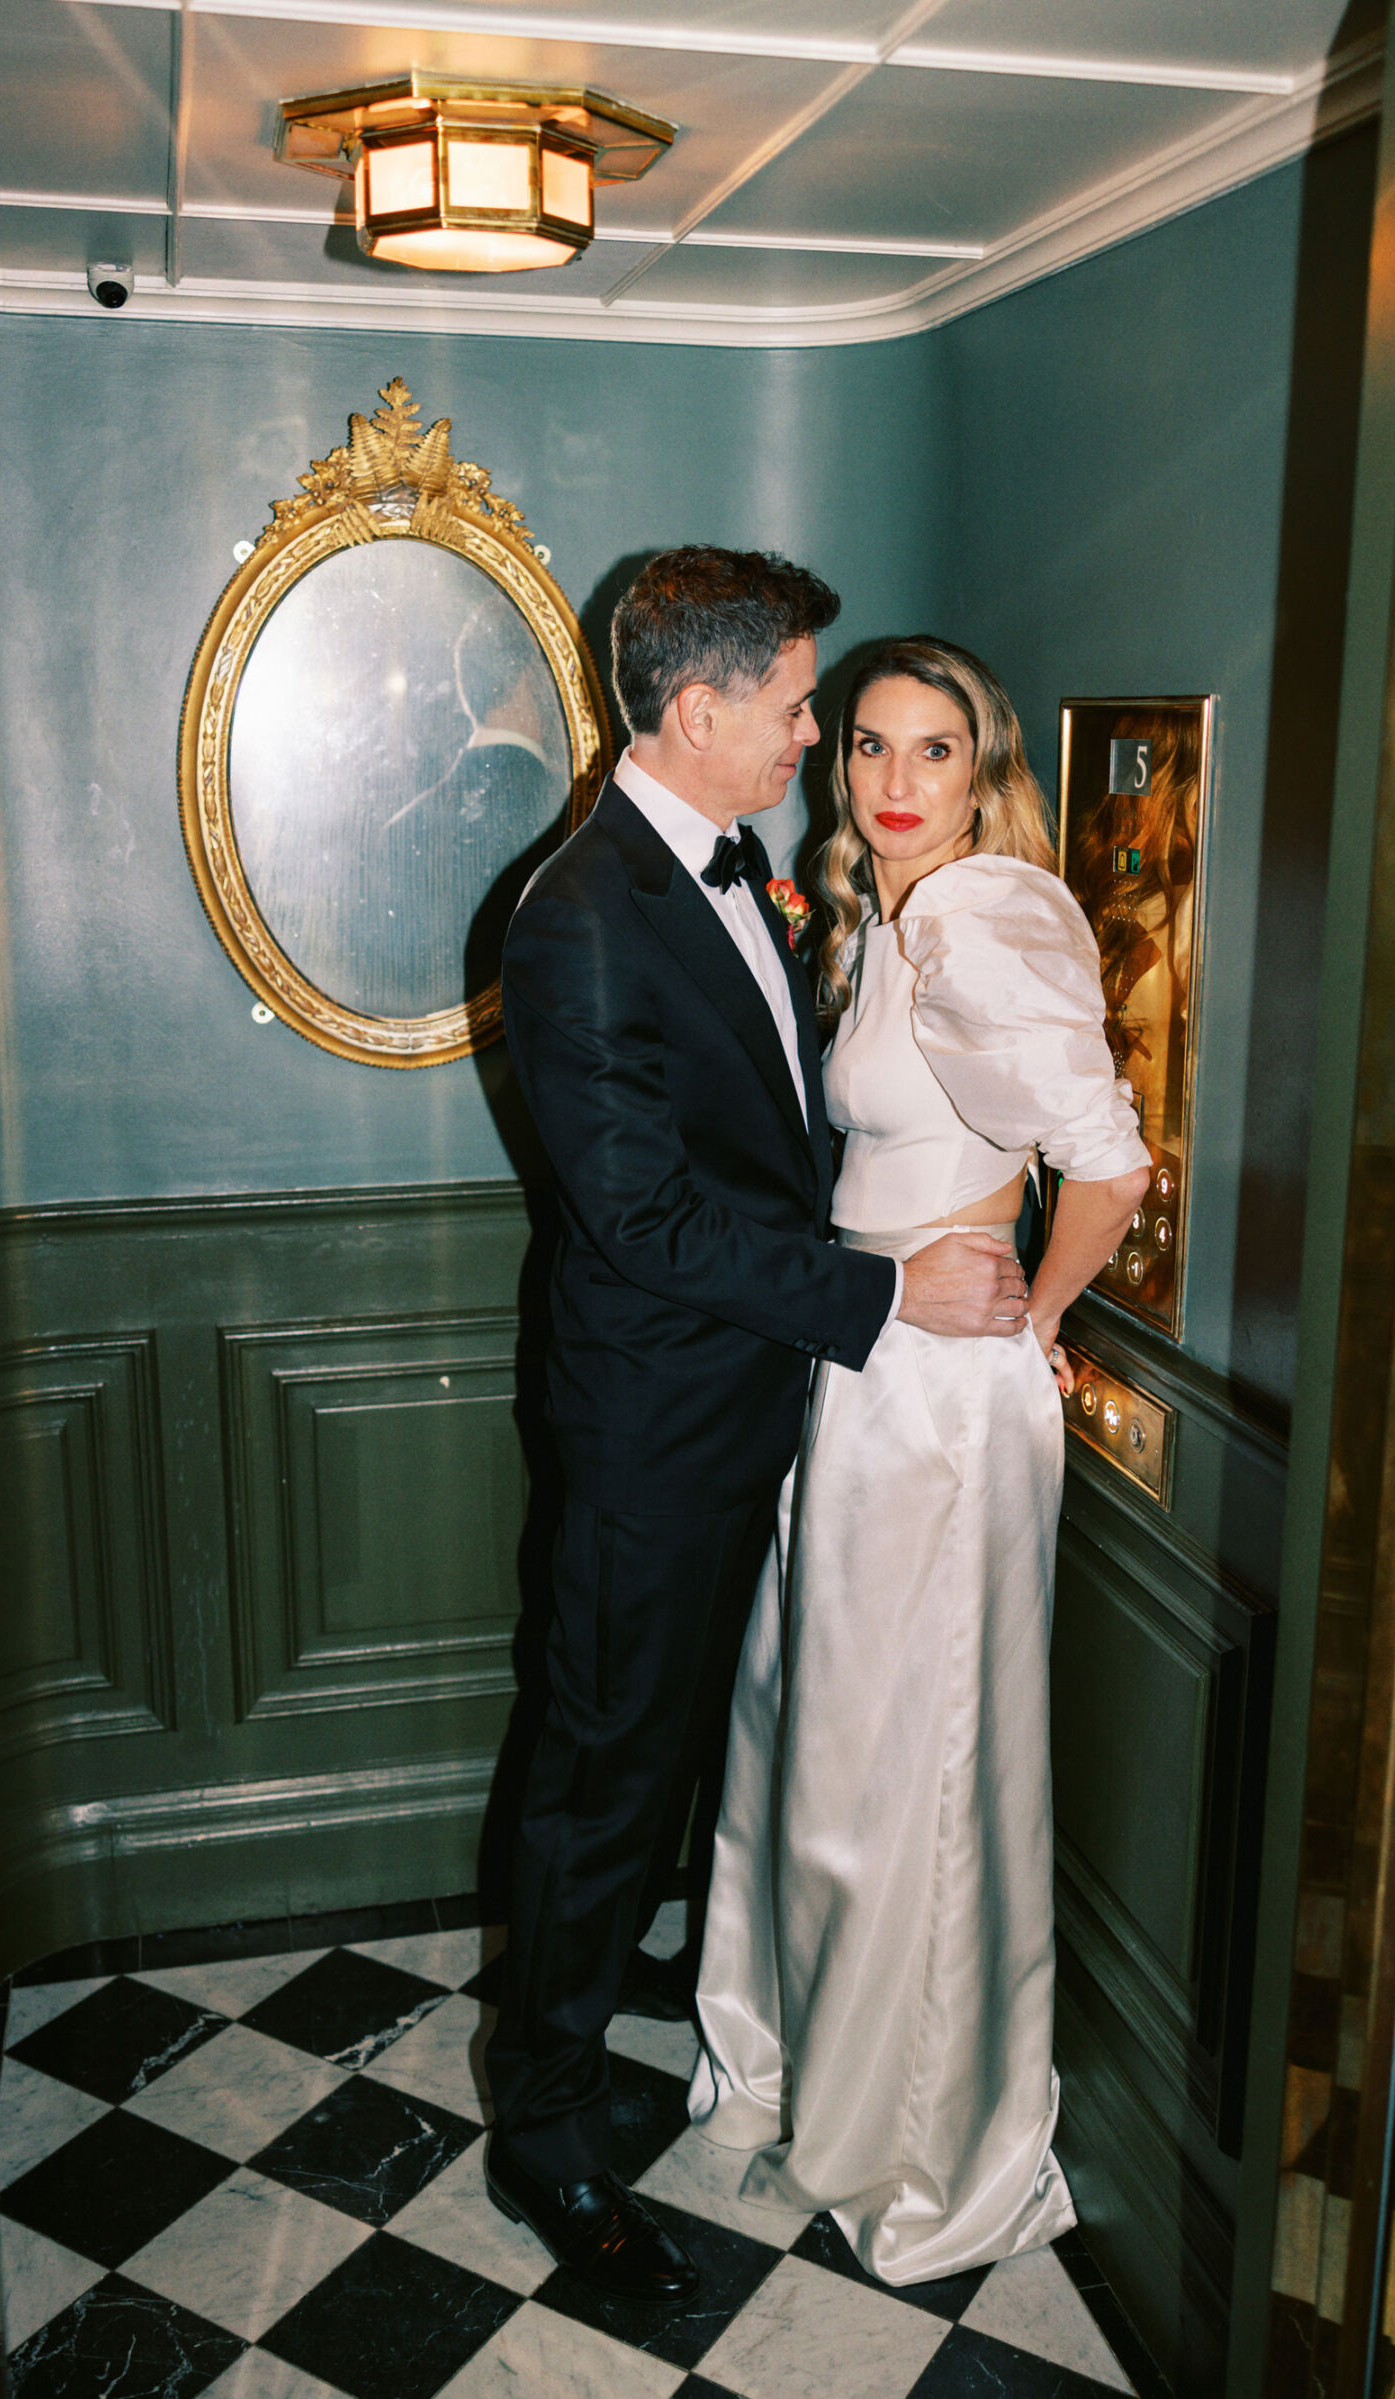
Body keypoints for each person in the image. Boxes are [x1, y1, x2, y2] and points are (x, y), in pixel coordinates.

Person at [485, 561, 1031, 2303]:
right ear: (700, 714)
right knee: (602, 1762)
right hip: (658, 1421)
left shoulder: (734, 875)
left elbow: (772, 1137)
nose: (817, 733)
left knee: (690, 1738)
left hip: (761, 1400)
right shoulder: (576, 915)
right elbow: (645, 1220)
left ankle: (646, 1968)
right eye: (800, 709)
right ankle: (547, 2126)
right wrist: (880, 1306)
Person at [689, 636, 1152, 2286]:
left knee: (916, 1764)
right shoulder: (890, 912)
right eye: (867, 747)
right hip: (868, 1366)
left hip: (945, 1397)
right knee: (829, 1737)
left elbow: (1107, 1161)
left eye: (932, 752)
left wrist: (1030, 1321)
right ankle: (818, 2068)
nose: (890, 782)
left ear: (985, 769)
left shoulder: (983, 913)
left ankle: (925, 2140)